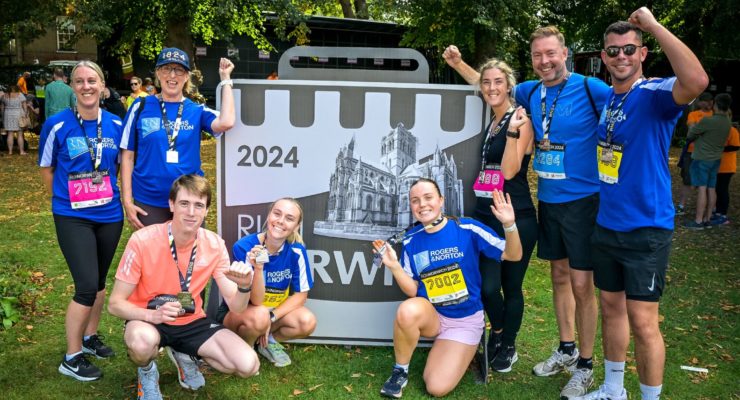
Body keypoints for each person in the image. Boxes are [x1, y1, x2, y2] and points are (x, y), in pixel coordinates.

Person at [444, 26, 610, 398]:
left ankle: (585, 364)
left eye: (551, 53)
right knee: (559, 279)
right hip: (548, 201)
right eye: (538, 55)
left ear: (564, 52)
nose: (545, 61)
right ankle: (566, 350)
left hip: (583, 201)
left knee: (583, 286)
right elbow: (490, 85)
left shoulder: (589, 87)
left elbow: (623, 103)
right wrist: (457, 63)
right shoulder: (531, 92)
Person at [577, 9, 708, 400]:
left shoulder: (655, 95)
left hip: (646, 229)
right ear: (604, 57)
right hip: (608, 224)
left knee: (644, 322)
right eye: (613, 51)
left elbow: (697, 80)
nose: (621, 57)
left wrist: (651, 24)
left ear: (642, 53)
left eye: (628, 50)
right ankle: (613, 389)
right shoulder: (609, 100)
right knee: (611, 310)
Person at [108, 174, 259, 399]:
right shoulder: (142, 240)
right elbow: (115, 304)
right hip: (148, 318)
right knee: (141, 345)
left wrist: (245, 287)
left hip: (191, 320)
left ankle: (183, 352)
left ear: (206, 210)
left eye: (198, 205)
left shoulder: (214, 244)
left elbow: (236, 307)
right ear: (171, 205)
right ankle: (147, 371)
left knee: (248, 365)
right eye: (184, 203)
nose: (191, 212)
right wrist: (153, 316)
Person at [373, 178, 522, 398]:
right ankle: (400, 372)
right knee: (408, 309)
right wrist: (394, 266)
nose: (422, 204)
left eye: (428, 197)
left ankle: (460, 349)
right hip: (433, 315)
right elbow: (413, 291)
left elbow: (514, 254)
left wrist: (510, 225)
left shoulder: (467, 227)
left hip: (463, 321)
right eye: (415, 201)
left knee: (436, 387)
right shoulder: (411, 241)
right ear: (411, 207)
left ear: (441, 200)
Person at [38, 60, 125, 381]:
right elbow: (46, 168)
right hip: (72, 217)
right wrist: (61, 203)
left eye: (92, 81)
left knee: (100, 282)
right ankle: (71, 356)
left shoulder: (116, 124)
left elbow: (119, 166)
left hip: (109, 214)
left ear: (103, 86)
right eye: (79, 81)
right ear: (72, 87)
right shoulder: (57, 125)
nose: (86, 86)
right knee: (86, 285)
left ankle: (90, 337)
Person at [453, 57, 538, 372]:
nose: (491, 87)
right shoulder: (492, 120)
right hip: (486, 216)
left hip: (515, 216)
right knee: (488, 286)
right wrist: (458, 62)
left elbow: (511, 170)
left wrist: (514, 135)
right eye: (486, 82)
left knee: (511, 286)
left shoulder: (519, 118)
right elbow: (482, 80)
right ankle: (498, 334)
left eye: (498, 82)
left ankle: (509, 345)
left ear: (509, 85)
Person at [120, 47, 235, 229]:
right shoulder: (140, 107)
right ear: (158, 73)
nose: (172, 75)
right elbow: (127, 156)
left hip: (189, 201)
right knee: (153, 257)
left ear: (187, 76)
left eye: (179, 70)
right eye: (166, 69)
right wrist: (127, 201)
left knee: (190, 256)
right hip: (149, 201)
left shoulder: (196, 110)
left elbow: (227, 121)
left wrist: (226, 79)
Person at [220, 198, 316, 368]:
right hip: (243, 313)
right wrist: (258, 268)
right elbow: (256, 301)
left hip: (271, 313)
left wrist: (271, 318)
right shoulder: (244, 247)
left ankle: (266, 342)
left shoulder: (297, 250)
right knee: (259, 315)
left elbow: (301, 296)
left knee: (307, 321)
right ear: (269, 215)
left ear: (297, 226)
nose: (280, 221)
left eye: (289, 218)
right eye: (277, 213)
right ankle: (246, 349)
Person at [683, 93, 732, 229]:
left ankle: (698, 222)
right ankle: (708, 219)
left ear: (715, 104)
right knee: (711, 189)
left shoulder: (708, 121)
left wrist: (693, 127)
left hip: (702, 159)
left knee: (702, 189)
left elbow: (690, 135)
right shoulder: (727, 122)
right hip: (716, 160)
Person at [676, 92, 713, 214]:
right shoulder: (693, 114)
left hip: (708, 154)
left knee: (707, 182)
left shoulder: (715, 115)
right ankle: (681, 206)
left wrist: (699, 129)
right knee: (687, 180)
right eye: (706, 101)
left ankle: (709, 208)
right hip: (691, 153)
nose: (709, 103)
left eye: (710, 101)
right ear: (700, 102)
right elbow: (691, 131)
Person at [712, 122, 739, 225]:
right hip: (715, 166)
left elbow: (736, 146)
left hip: (727, 167)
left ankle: (723, 215)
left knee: (722, 189)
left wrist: (718, 148)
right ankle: (717, 211)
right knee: (717, 189)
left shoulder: (732, 130)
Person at [1, 85, 28, 155]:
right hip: (18, 113)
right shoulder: (20, 95)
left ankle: (10, 151)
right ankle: (21, 151)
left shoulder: (4, 96)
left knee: (10, 134)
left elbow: (2, 108)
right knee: (20, 134)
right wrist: (25, 114)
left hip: (8, 114)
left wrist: (3, 116)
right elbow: (25, 106)